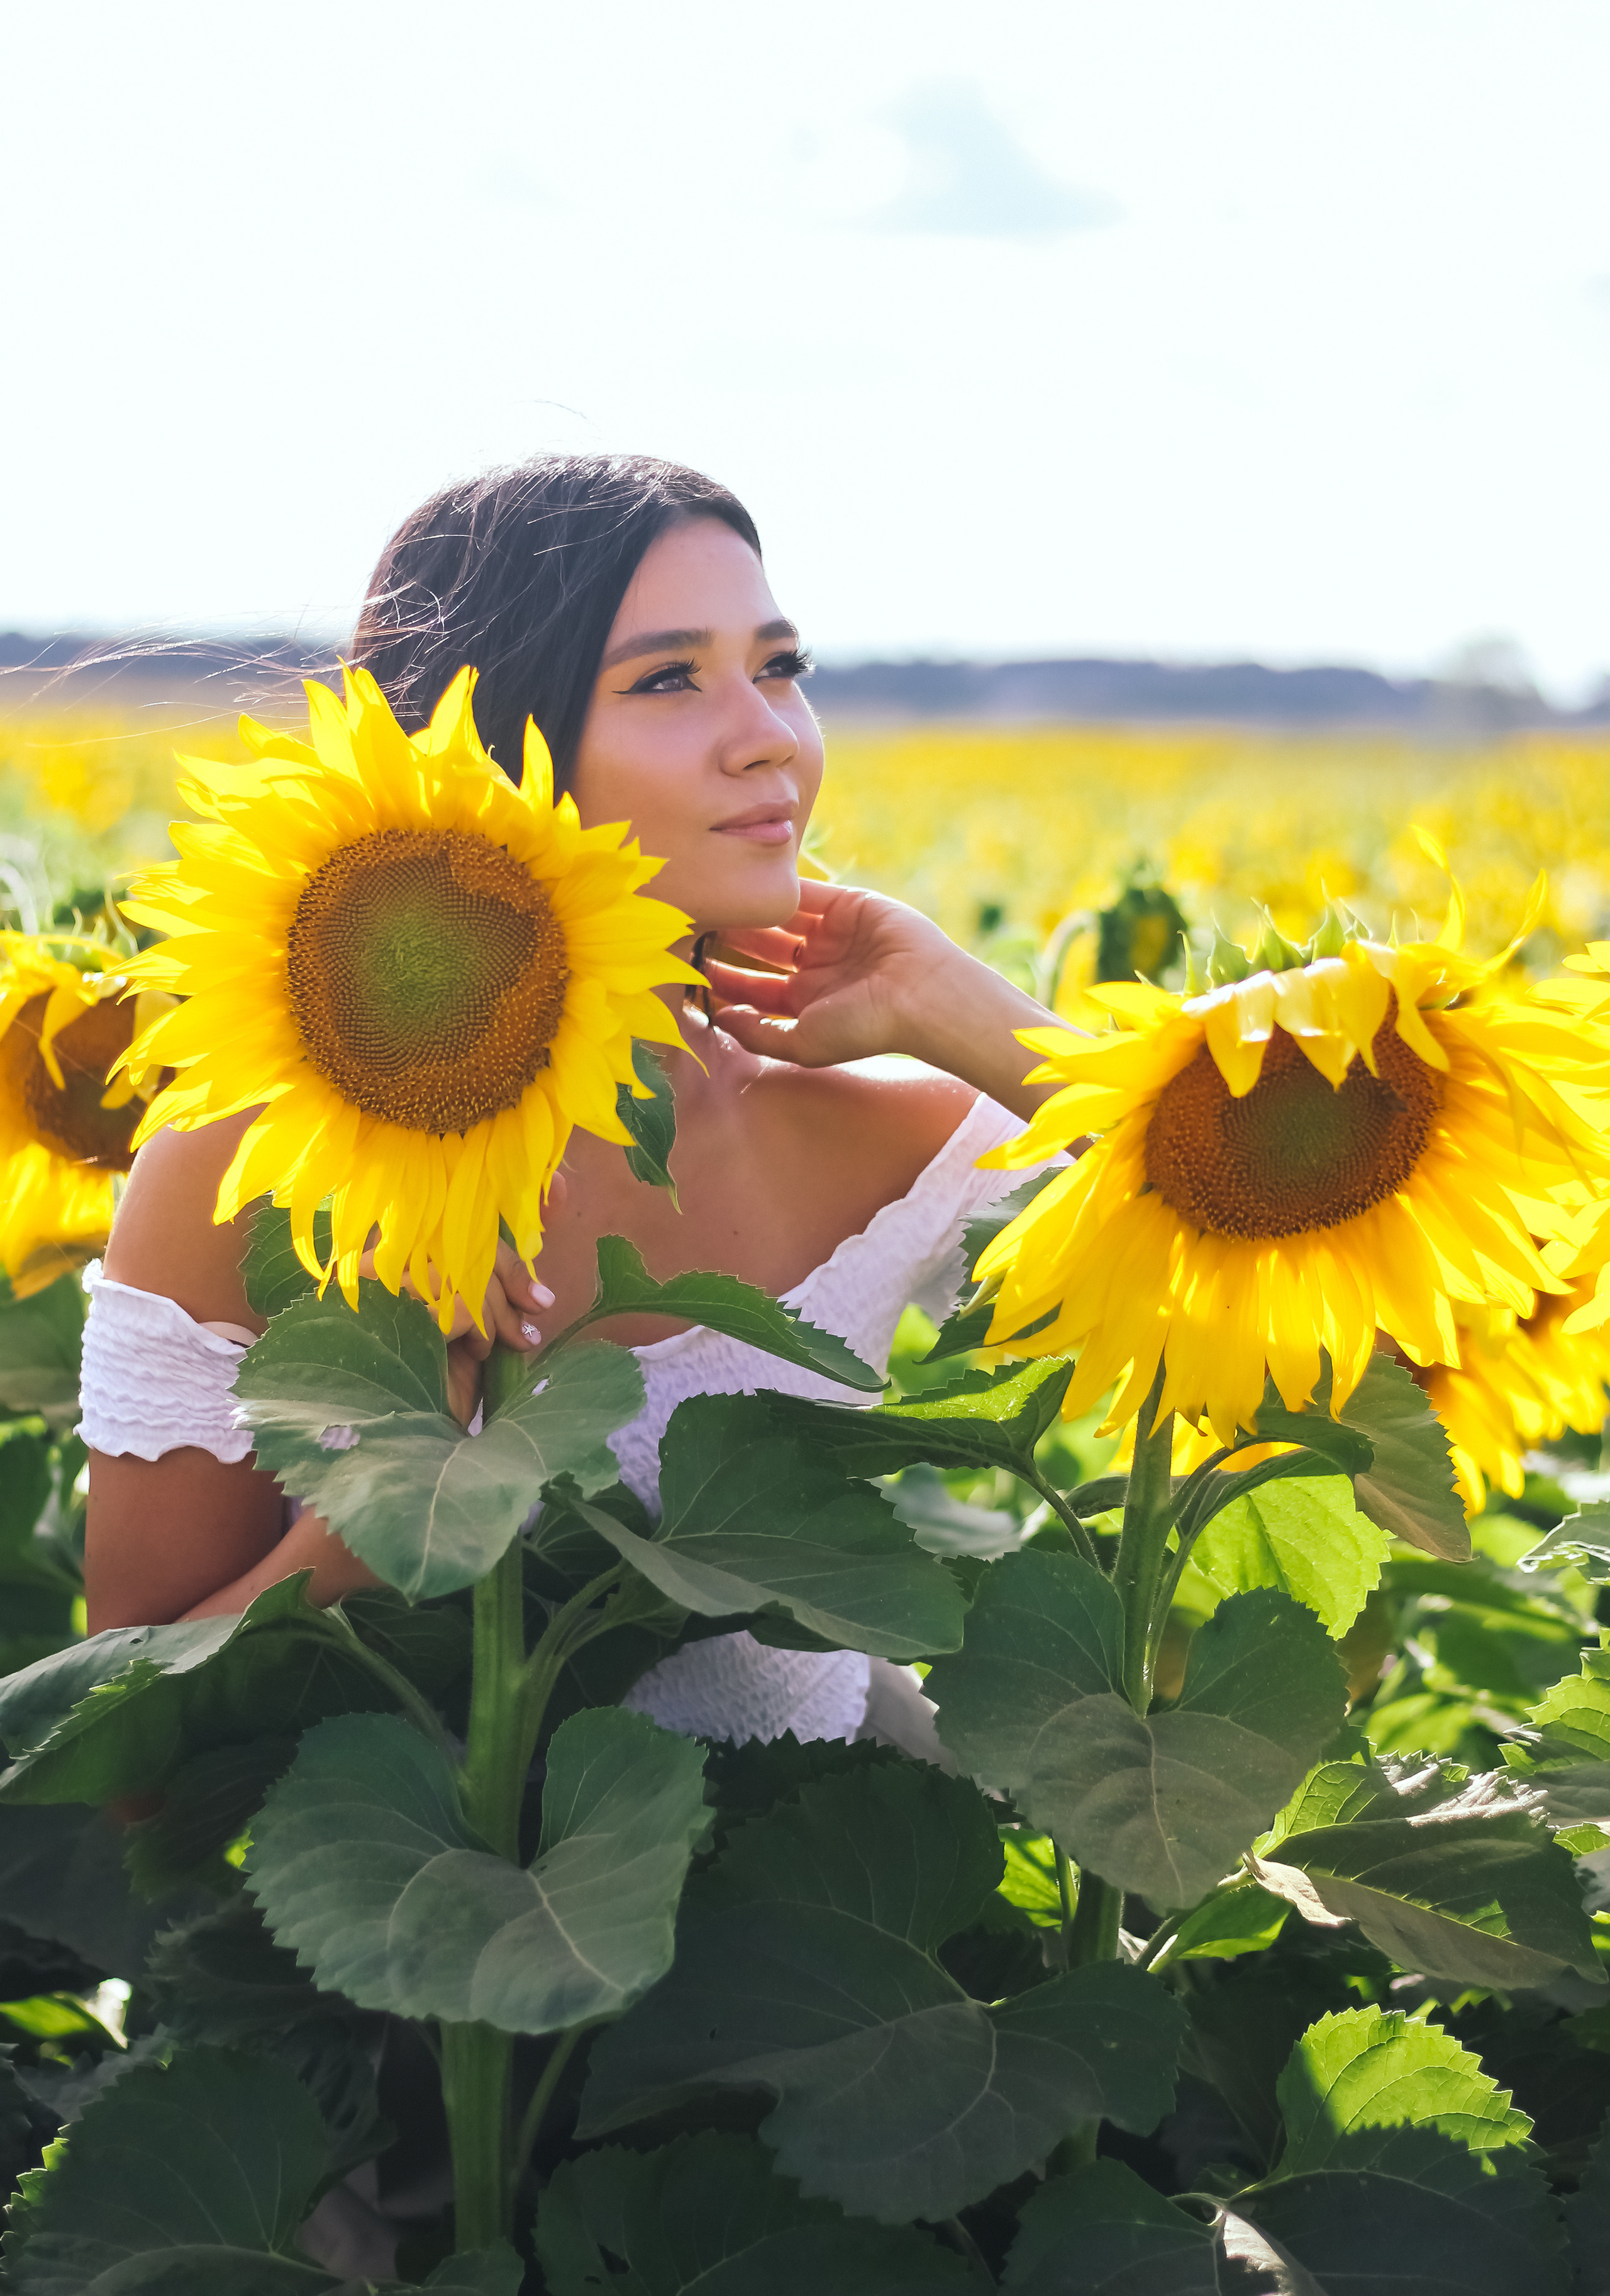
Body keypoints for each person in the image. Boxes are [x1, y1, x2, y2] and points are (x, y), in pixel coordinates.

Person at [80, 454, 1060, 1750]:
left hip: (834, 1906)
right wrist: (403, 1498)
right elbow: (125, 1765)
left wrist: (971, 1014)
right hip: (409, 1943)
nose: (768, 731)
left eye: (779, 666)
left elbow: (1369, 1357)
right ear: (493, 748)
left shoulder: (885, 1127)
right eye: (667, 679)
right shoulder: (246, 1169)